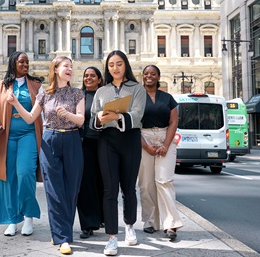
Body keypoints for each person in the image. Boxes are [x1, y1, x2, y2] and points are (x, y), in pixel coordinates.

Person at [7, 56, 85, 255]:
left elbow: (81, 120)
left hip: (72, 140)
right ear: (56, 69)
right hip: (50, 141)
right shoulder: (44, 95)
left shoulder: (77, 93)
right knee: (54, 190)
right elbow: (30, 118)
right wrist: (15, 103)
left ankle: (61, 231)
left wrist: (67, 115)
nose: (70, 69)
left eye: (71, 67)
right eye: (66, 66)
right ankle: (62, 238)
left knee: (71, 190)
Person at [0, 51, 43, 238]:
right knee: (7, 177)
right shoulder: (1, 87)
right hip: (6, 137)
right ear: (13, 64)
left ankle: (28, 216)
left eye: (27, 62)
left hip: (28, 135)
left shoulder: (37, 85)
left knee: (25, 172)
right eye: (22, 62)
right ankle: (12, 219)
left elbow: (42, 115)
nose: (26, 65)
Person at [90, 50, 146, 256]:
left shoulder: (137, 89)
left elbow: (138, 114)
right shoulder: (101, 91)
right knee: (109, 190)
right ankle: (112, 238)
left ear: (126, 65)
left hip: (130, 139)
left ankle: (130, 226)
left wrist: (118, 116)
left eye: (119, 63)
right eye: (111, 64)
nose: (115, 68)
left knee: (129, 188)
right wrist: (99, 119)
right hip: (107, 141)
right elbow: (92, 118)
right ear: (107, 67)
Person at [138, 65, 184, 241]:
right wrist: (146, 146)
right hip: (144, 137)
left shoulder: (168, 98)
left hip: (165, 136)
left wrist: (165, 144)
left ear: (158, 77)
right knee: (147, 184)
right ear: (143, 77)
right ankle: (150, 221)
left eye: (153, 74)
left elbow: (174, 122)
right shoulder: (136, 97)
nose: (149, 76)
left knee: (164, 180)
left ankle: (170, 224)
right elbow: (133, 124)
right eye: (146, 74)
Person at [77, 66, 105, 239]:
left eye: (92, 76)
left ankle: (102, 217)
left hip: (104, 143)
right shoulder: (78, 96)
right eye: (86, 76)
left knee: (104, 183)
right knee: (86, 184)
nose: (88, 78)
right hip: (84, 143)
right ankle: (88, 224)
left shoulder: (106, 95)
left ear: (99, 79)